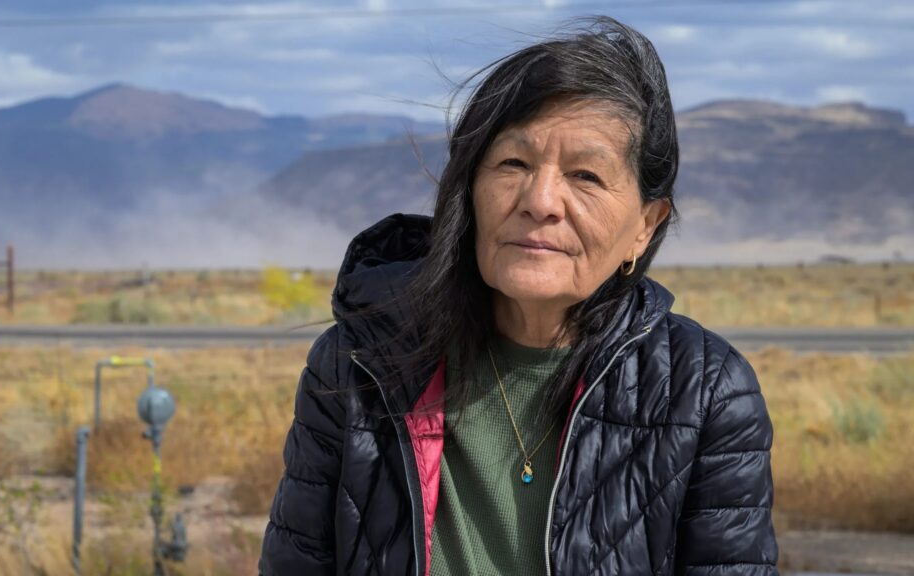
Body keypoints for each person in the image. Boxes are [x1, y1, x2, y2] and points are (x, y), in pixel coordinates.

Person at [259, 15, 779, 576]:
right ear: (469, 191)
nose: (541, 200)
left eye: (586, 176)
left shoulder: (704, 393)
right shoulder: (361, 365)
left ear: (645, 227)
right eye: (513, 163)